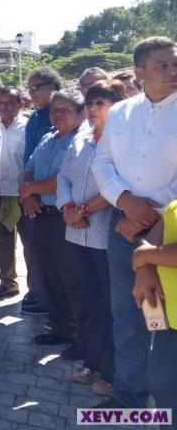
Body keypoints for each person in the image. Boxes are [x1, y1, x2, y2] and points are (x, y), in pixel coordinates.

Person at [92, 36, 177, 409]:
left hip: (170, 231)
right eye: (163, 65)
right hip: (122, 226)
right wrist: (125, 201)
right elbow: (102, 163)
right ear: (139, 72)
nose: (173, 71)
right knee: (128, 315)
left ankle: (166, 399)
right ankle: (129, 396)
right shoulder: (122, 112)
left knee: (167, 317)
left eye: (175, 64)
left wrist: (151, 213)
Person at [57, 80, 126, 397]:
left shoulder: (122, 141)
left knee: (113, 306)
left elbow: (119, 185)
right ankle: (92, 360)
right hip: (78, 232)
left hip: (106, 234)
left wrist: (83, 209)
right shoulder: (81, 138)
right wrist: (68, 208)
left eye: (101, 103)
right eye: (90, 103)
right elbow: (64, 177)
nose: (93, 109)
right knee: (90, 302)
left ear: (117, 106)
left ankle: (112, 371)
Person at [20, 88, 88, 357]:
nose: (58, 114)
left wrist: (30, 189)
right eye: (54, 110)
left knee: (74, 279)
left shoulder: (82, 142)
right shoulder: (48, 138)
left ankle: (84, 339)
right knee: (49, 277)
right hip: (41, 216)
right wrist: (28, 195)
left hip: (67, 218)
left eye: (65, 109)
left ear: (81, 113)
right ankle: (61, 329)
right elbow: (29, 168)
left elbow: (66, 178)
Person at [20, 66, 64, 316]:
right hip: (32, 196)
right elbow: (29, 162)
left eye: (37, 87)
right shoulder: (35, 117)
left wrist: (33, 191)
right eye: (30, 88)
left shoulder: (59, 116)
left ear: (53, 87)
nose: (32, 92)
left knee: (57, 258)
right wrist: (28, 194)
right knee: (35, 251)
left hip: (56, 201)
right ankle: (40, 294)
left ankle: (55, 307)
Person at [132, 204, 177, 414]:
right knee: (163, 387)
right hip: (170, 322)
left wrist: (144, 257)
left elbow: (145, 252)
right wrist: (145, 265)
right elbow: (164, 223)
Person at [0, 88, 27, 299]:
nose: (5, 107)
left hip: (23, 192)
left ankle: (36, 288)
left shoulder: (28, 127)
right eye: (2, 102)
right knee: (3, 238)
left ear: (21, 104)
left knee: (29, 241)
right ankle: (8, 282)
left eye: (10, 103)